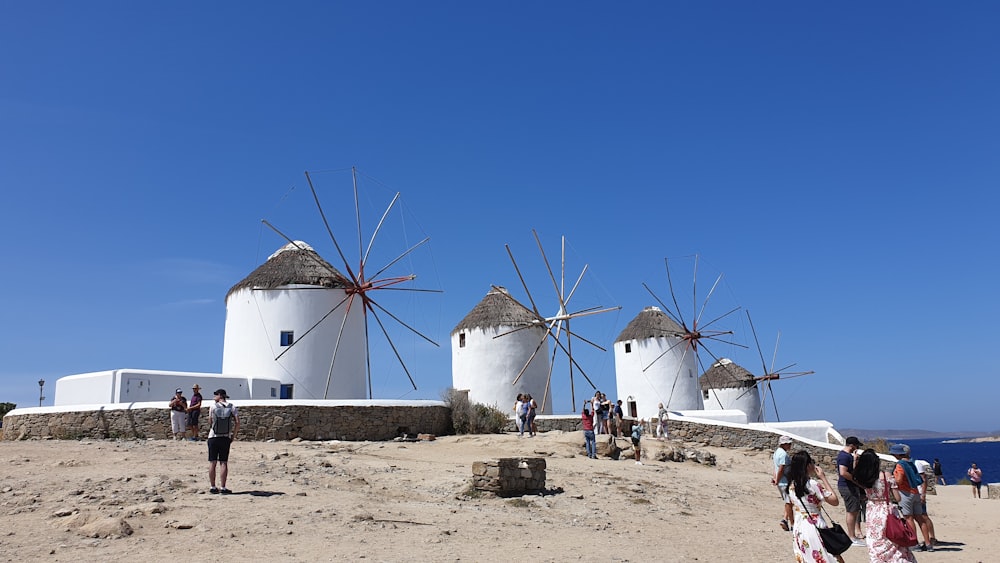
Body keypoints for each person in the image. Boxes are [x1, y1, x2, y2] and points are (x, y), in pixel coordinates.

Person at [853, 448, 917, 562]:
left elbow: (854, 472)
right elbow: (898, 497)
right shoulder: (885, 475)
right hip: (886, 509)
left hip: (872, 510)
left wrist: (855, 460)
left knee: (876, 539)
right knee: (893, 539)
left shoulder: (863, 477)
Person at [788, 450, 843, 563]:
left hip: (800, 527)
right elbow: (834, 501)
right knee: (828, 557)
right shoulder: (812, 484)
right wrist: (823, 478)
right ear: (808, 466)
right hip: (815, 524)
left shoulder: (791, 485)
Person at [890, 444, 933, 552]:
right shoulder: (912, 462)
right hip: (915, 492)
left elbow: (899, 480)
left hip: (905, 493)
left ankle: (914, 543)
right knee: (920, 518)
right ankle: (928, 543)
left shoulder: (900, 464)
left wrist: (892, 480)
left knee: (908, 518)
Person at [207, 388, 240, 494]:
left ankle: (212, 486)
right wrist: (233, 436)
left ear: (220, 395)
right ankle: (223, 487)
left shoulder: (213, 406)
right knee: (223, 462)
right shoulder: (232, 406)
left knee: (212, 462)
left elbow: (210, 421)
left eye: (215, 395)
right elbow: (237, 422)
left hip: (213, 437)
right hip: (225, 437)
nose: (214, 397)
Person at [837, 436, 866, 546]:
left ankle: (852, 535)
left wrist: (854, 460)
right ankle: (851, 537)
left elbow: (852, 470)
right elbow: (843, 472)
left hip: (850, 486)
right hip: (847, 486)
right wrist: (856, 481)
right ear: (852, 445)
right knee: (851, 511)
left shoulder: (848, 456)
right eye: (857, 445)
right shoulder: (844, 456)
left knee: (854, 510)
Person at [772, 435, 794, 532]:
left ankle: (785, 519)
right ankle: (792, 523)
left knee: (788, 501)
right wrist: (777, 479)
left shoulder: (777, 453)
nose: (790, 446)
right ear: (784, 444)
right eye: (789, 444)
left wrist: (775, 478)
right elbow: (781, 468)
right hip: (784, 482)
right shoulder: (783, 455)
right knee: (789, 502)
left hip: (781, 481)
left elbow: (775, 467)